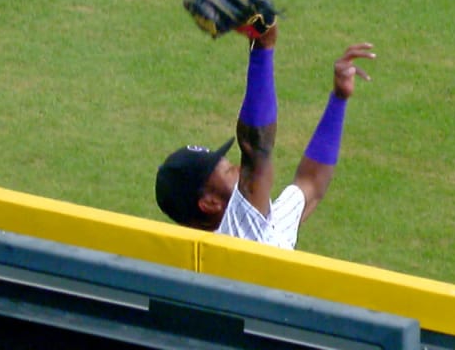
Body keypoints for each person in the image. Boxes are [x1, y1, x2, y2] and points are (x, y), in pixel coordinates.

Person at [155, 24, 375, 249]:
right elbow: (254, 148)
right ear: (210, 203)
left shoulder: (260, 228)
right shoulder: (237, 235)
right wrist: (262, 48)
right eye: (230, 171)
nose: (239, 170)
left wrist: (339, 99)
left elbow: (311, 184)